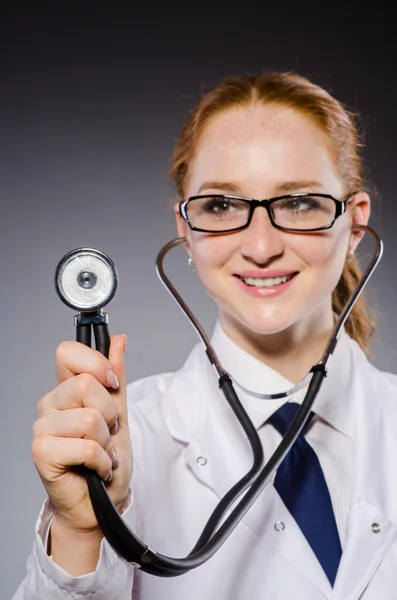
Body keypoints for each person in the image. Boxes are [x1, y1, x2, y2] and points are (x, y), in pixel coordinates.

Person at [13, 71, 397, 600]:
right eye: (221, 206)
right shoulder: (125, 441)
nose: (261, 246)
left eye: (298, 202)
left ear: (354, 225)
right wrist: (82, 530)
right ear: (185, 230)